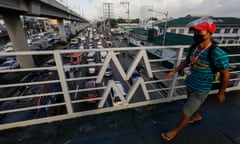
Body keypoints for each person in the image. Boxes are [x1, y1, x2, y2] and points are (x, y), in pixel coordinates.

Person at [161, 17, 230, 141]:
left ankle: (174, 132)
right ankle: (197, 116)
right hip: (190, 83)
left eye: (200, 32)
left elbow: (225, 75)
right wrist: (174, 71)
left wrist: (221, 93)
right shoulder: (194, 48)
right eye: (195, 32)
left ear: (210, 33)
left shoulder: (218, 54)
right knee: (192, 105)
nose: (196, 34)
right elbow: (187, 61)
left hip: (202, 88)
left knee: (186, 112)